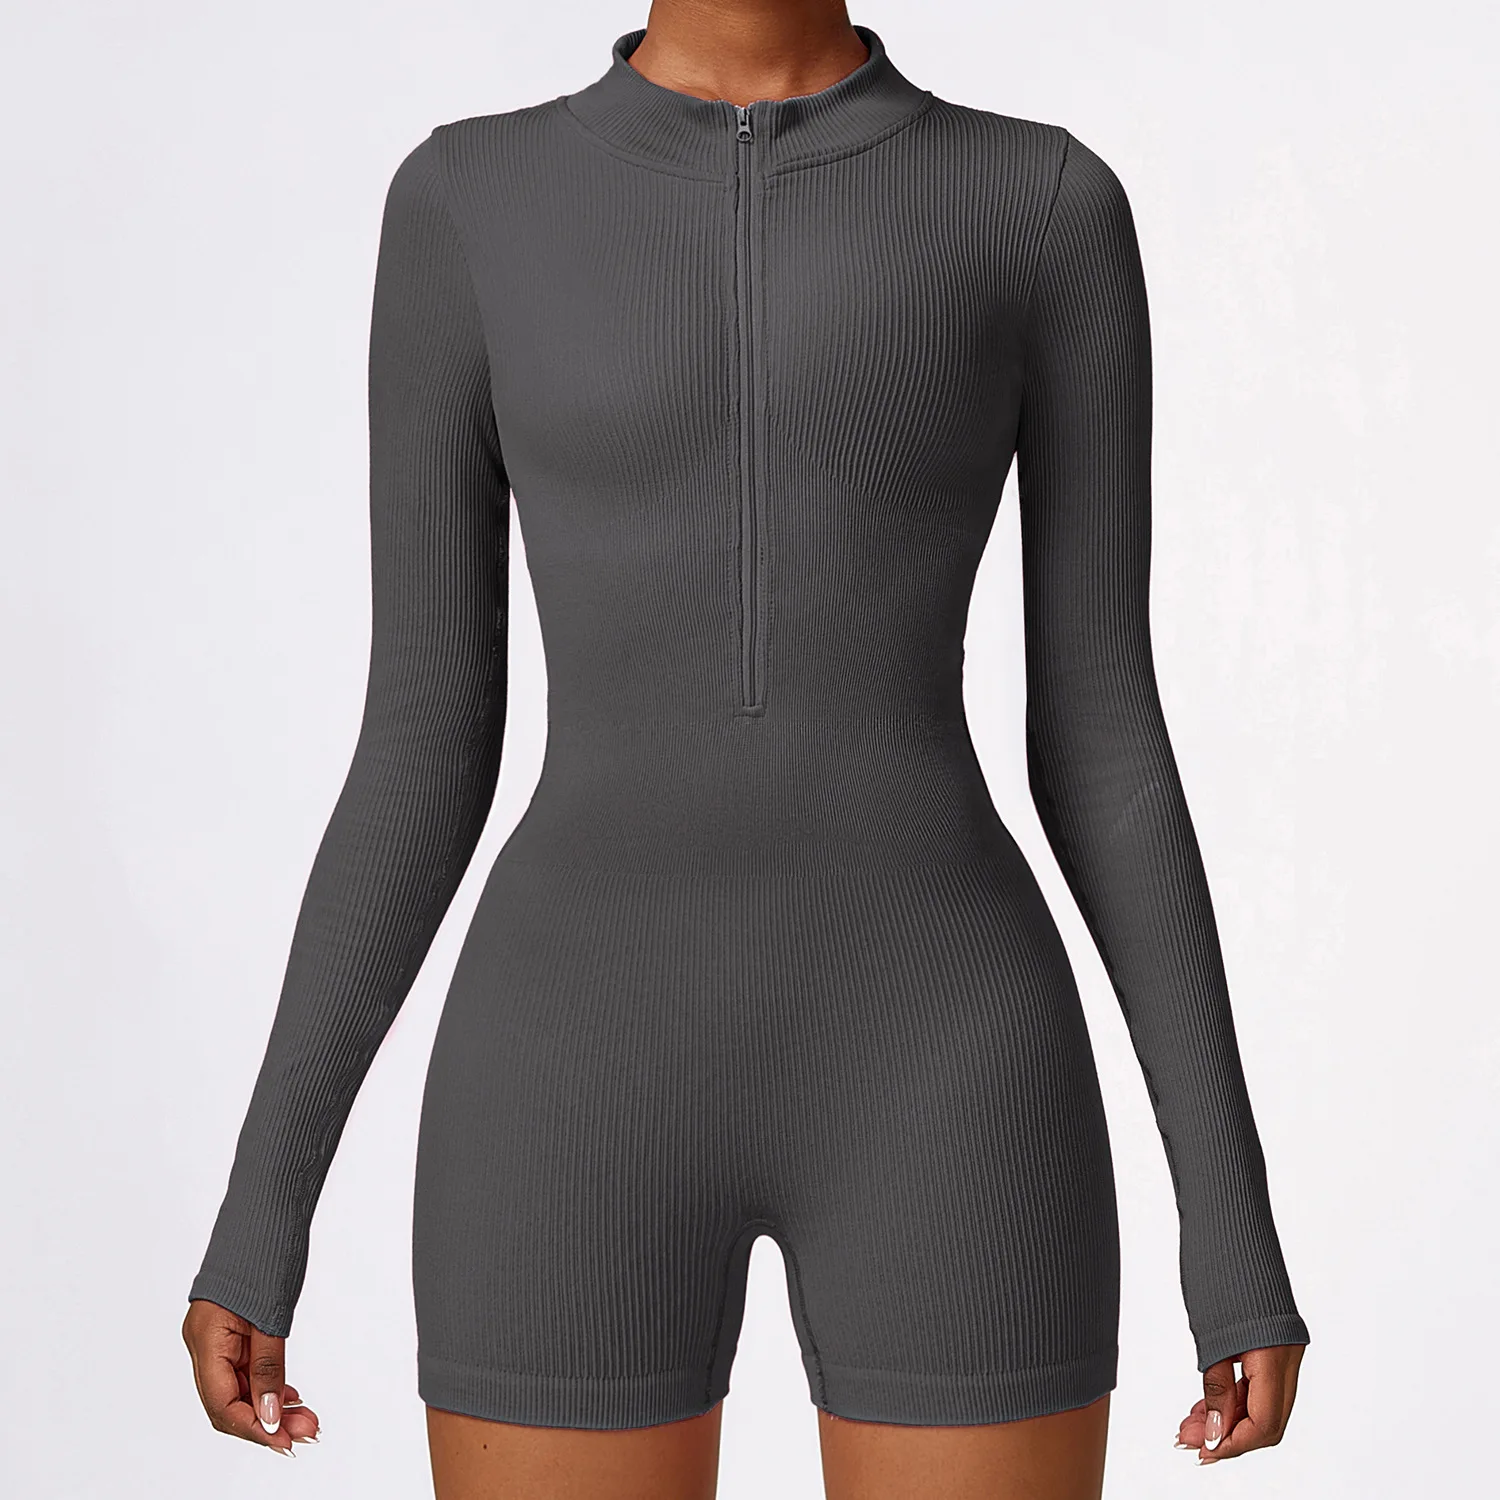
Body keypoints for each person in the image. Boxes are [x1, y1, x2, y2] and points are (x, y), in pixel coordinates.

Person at [181, 4, 1311, 1495]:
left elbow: (1099, 728)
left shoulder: (1039, 204)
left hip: (946, 1063)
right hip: (570, 1071)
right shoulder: (468, 202)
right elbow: (425, 738)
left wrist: (1230, 1224)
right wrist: (263, 1209)